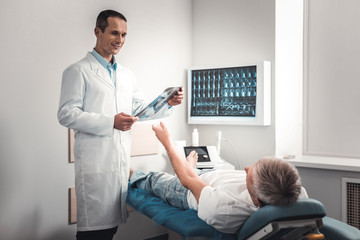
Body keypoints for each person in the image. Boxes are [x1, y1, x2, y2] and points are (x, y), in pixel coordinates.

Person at [57, 10, 183, 240]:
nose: (120, 40)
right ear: (97, 31)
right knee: (93, 233)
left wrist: (167, 102)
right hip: (95, 165)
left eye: (124, 35)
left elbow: (140, 111)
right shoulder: (78, 71)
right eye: (114, 33)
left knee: (110, 229)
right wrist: (110, 122)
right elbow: (66, 114)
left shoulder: (126, 75)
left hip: (119, 162)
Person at [129, 122, 308, 234]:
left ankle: (130, 174)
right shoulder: (294, 191)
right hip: (210, 180)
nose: (245, 168)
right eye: (254, 165)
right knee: (190, 173)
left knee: (154, 179)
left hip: (187, 192)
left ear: (256, 201)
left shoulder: (225, 210)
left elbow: (187, 182)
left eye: (248, 175)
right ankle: (190, 168)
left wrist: (166, 140)